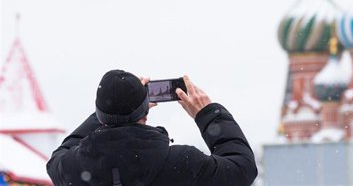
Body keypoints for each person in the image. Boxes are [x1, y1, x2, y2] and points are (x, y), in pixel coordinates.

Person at [46, 70, 258, 185]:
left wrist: (106, 113)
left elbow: (59, 155)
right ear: (145, 113)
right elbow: (242, 169)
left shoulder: (73, 167)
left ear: (100, 116)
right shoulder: (182, 162)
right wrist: (208, 114)